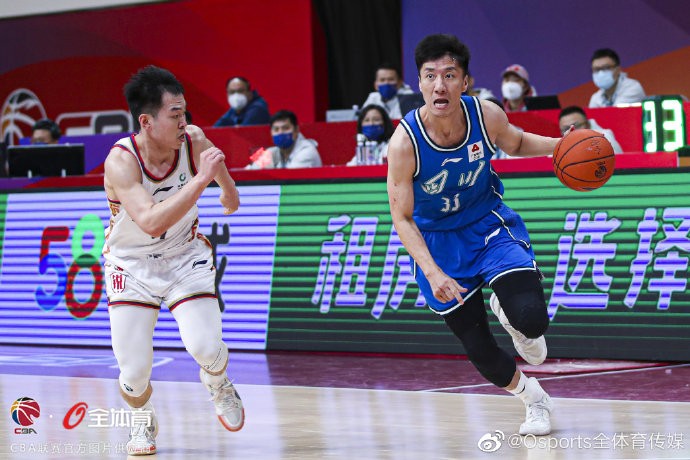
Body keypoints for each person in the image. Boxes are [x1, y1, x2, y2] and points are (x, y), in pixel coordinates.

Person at [387, 34, 567, 436]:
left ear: (465, 82)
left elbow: (516, 142)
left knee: (532, 320)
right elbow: (402, 217)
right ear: (419, 84)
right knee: (480, 348)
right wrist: (432, 272)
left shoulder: (484, 115)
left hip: (488, 225)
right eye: (430, 76)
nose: (440, 85)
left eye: (449, 75)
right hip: (438, 244)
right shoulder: (404, 143)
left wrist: (560, 145)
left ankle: (510, 313)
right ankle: (534, 399)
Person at [102, 65, 243, 455]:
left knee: (206, 347)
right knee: (134, 372)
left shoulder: (192, 139)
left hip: (184, 256)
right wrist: (202, 181)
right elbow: (150, 222)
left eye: (185, 112)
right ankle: (141, 418)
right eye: (175, 114)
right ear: (146, 122)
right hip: (131, 265)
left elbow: (215, 165)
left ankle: (218, 383)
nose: (184, 121)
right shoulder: (121, 161)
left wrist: (228, 189)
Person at [247, 110, 322, 169]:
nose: (280, 132)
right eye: (276, 129)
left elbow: (290, 179)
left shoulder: (307, 152)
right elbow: (251, 172)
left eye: (285, 128)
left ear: (296, 130)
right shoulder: (272, 152)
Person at [558, 105, 623, 153]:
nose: (571, 131)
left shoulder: (605, 139)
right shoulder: (560, 147)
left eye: (576, 126)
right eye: (566, 129)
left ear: (588, 124)